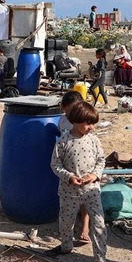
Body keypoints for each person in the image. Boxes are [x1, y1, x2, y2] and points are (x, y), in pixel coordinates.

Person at [49, 101, 118, 262]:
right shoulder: (63, 142)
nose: (91, 127)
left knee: (99, 223)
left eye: (93, 123)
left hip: (92, 190)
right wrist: (69, 176)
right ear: (74, 121)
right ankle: (65, 247)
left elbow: (101, 160)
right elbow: (55, 165)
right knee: (66, 221)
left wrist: (95, 175)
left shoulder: (94, 140)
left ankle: (101, 260)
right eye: (88, 123)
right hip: (68, 191)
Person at [58, 91, 91, 244]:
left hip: (84, 164)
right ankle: (69, 229)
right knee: (68, 200)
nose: (74, 114)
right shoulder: (62, 121)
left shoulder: (85, 121)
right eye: (71, 110)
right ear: (63, 108)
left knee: (85, 199)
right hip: (68, 165)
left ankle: (85, 229)